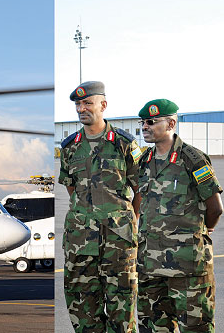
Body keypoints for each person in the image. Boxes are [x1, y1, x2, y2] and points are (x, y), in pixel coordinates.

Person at [59, 81, 142, 333]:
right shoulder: (70, 147)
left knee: (121, 312)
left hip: (118, 242)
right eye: (78, 104)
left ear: (103, 105)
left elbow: (140, 189)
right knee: (83, 311)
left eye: (87, 103)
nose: (81, 109)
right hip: (80, 242)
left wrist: (131, 220)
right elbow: (71, 187)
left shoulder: (124, 144)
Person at [137, 99, 223, 332]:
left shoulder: (193, 159)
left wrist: (203, 230)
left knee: (195, 327)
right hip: (150, 267)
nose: (145, 126)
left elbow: (215, 208)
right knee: (153, 327)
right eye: (143, 122)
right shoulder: (144, 162)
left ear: (171, 123)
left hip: (187, 267)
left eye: (152, 122)